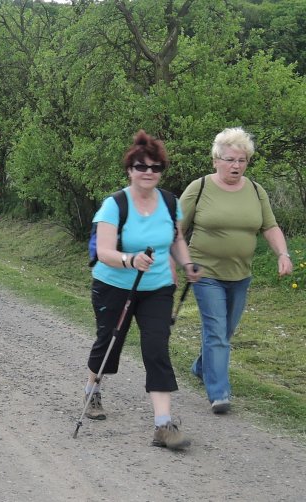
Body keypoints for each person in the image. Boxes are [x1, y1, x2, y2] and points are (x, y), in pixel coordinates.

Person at [82, 130, 201, 451]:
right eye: (140, 166)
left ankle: (163, 425)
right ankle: (93, 391)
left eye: (155, 167)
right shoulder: (114, 205)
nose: (148, 172)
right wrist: (130, 259)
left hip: (157, 286)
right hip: (114, 285)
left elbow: (175, 239)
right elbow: (105, 251)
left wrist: (187, 264)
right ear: (129, 170)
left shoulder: (170, 202)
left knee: (156, 347)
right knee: (109, 343)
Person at [181, 127, 293, 414]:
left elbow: (269, 226)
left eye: (242, 160)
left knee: (226, 330)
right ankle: (219, 393)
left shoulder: (256, 191)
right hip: (204, 271)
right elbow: (176, 228)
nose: (236, 166)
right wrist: (177, 262)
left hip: (241, 274)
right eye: (230, 160)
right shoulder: (200, 187)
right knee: (216, 330)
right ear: (216, 160)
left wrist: (282, 254)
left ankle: (202, 365)